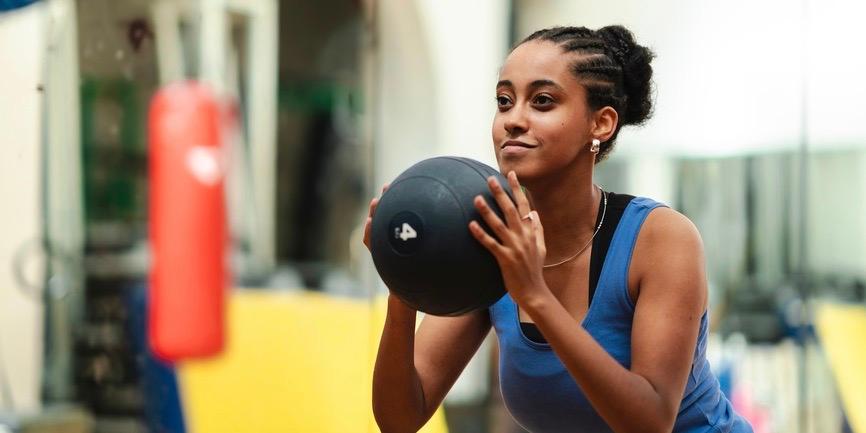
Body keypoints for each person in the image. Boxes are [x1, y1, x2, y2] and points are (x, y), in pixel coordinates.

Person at [366, 25, 753, 433]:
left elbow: (650, 422)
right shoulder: (488, 237)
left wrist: (534, 296)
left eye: (543, 101)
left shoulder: (660, 239)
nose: (513, 120)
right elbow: (400, 418)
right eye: (504, 101)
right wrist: (404, 284)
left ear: (601, 124)